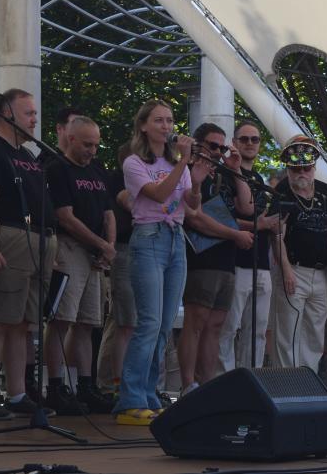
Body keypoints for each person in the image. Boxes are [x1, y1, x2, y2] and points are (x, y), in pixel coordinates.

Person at [115, 100, 206, 425]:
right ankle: (131, 399)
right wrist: (182, 164)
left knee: (165, 326)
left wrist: (196, 180)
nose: (167, 126)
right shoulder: (134, 163)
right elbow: (156, 194)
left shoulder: (175, 163)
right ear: (143, 126)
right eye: (159, 121)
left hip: (174, 240)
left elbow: (191, 205)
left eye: (169, 120)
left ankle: (151, 395)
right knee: (149, 323)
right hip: (149, 238)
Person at [0, 89, 56, 419]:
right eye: (29, 113)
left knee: (22, 323)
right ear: (6, 115)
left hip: (40, 241)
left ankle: (18, 393)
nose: (35, 119)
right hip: (11, 237)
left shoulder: (28, 154)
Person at [43, 116, 117, 415]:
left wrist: (108, 246)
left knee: (88, 322)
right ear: (70, 139)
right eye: (87, 144)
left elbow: (109, 211)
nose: (92, 151)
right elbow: (65, 216)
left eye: (96, 145)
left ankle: (85, 385)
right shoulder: (57, 168)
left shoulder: (97, 171)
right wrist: (101, 245)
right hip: (70, 248)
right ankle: (56, 385)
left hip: (96, 253)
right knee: (62, 319)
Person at [178, 123, 253, 393]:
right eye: (213, 146)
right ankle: (188, 384)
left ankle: (207, 386)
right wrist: (235, 235)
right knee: (196, 321)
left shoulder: (226, 174)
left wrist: (235, 170)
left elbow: (247, 207)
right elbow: (196, 218)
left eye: (222, 147)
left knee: (216, 324)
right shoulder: (188, 173)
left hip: (226, 259)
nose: (219, 152)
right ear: (197, 144)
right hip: (201, 257)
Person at [272, 136, 327, 372]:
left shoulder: (325, 192)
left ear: (314, 167)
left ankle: (308, 379)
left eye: (306, 167)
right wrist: (286, 270)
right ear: (288, 169)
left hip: (321, 271)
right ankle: (288, 383)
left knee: (315, 330)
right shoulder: (281, 192)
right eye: (296, 168)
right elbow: (277, 235)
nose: (301, 172)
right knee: (288, 330)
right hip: (294, 268)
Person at [218, 121, 278, 371]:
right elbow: (222, 217)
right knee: (229, 327)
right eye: (244, 139)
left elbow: (258, 216)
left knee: (259, 329)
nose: (250, 144)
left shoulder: (257, 178)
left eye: (255, 139)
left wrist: (265, 224)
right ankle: (225, 379)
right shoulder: (224, 175)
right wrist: (260, 224)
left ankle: (252, 378)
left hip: (262, 263)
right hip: (235, 261)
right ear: (234, 143)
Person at [95, 144, 135, 402]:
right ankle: (114, 383)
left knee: (128, 320)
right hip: (124, 249)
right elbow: (131, 205)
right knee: (125, 320)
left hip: (140, 250)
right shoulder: (119, 177)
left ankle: (120, 382)